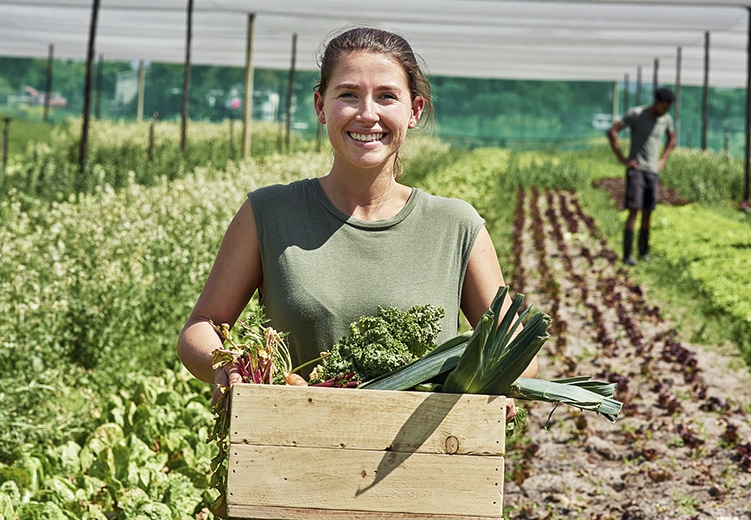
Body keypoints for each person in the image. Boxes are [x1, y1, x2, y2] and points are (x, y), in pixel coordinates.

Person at [177, 26, 538, 421]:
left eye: (387, 96)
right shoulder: (268, 213)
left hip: (424, 463)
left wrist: (492, 382)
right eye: (348, 94)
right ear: (320, 106)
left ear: (414, 111)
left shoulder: (456, 226)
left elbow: (516, 349)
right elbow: (201, 326)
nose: (368, 114)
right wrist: (224, 366)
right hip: (288, 451)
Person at [607, 87, 677, 265]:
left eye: (668, 108)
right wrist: (622, 158)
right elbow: (613, 131)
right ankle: (627, 254)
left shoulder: (665, 120)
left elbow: (672, 140)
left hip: (652, 172)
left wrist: (662, 160)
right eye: (664, 106)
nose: (665, 111)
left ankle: (644, 252)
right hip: (636, 170)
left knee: (648, 212)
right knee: (634, 211)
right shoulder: (636, 114)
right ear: (656, 102)